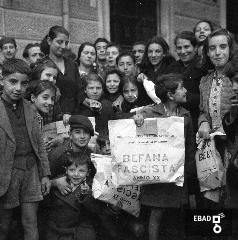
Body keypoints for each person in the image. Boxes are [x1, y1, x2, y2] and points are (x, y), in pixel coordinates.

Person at [134, 73, 197, 240]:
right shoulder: (149, 113)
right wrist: (138, 121)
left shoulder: (186, 115)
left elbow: (190, 146)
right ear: (170, 95)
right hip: (157, 176)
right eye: (181, 88)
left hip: (177, 174)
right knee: (156, 212)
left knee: (175, 214)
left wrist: (187, 170)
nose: (185, 91)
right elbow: (137, 139)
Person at [0, 59, 51, 240]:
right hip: (6, 173)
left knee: (30, 223)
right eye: (13, 82)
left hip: (31, 172)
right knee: (3, 226)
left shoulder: (30, 108)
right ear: (2, 79)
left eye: (23, 83)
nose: (18, 88)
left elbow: (39, 145)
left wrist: (45, 174)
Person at [198, 29, 234, 207]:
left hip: (234, 144)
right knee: (213, 197)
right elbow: (202, 110)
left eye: (222, 47)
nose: (217, 52)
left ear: (231, 49)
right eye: (212, 48)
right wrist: (203, 122)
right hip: (213, 145)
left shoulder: (235, 78)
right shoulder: (205, 80)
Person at [45, 151, 97, 240]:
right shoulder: (59, 184)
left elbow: (95, 211)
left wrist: (84, 196)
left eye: (81, 171)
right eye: (72, 170)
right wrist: (54, 183)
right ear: (66, 170)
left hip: (80, 233)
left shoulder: (93, 187)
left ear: (88, 173)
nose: (76, 174)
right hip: (57, 231)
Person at [166, 31, 208, 132]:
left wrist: (186, 98)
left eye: (186, 47)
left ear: (195, 48)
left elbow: (207, 98)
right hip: (174, 120)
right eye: (179, 48)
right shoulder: (172, 67)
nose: (183, 51)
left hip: (196, 120)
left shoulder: (203, 67)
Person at [40, 25, 84, 114]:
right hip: (51, 114)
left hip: (73, 114)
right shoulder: (41, 65)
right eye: (60, 42)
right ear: (49, 40)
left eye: (66, 43)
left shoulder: (72, 65)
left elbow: (79, 91)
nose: (64, 46)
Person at [138, 36, 175, 104]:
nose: (153, 55)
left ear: (164, 53)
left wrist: (147, 81)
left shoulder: (172, 70)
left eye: (157, 51)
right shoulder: (144, 70)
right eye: (150, 52)